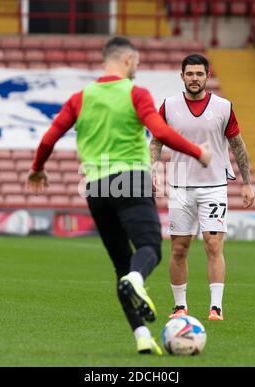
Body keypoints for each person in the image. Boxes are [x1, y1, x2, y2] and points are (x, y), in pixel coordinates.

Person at [26, 37, 211, 355]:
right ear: (126, 59)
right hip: (130, 180)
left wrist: (37, 170)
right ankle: (137, 279)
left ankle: (141, 334)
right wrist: (198, 152)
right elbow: (161, 131)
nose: (137, 68)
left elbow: (48, 138)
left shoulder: (80, 98)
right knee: (150, 248)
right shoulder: (135, 93)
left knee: (121, 267)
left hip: (96, 188)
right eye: (136, 62)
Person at [150, 54, 255, 321]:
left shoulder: (223, 107)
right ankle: (179, 306)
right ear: (182, 76)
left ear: (207, 76)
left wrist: (246, 182)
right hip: (180, 187)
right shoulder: (169, 106)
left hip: (214, 186)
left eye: (199, 74)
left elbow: (238, 145)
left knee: (213, 244)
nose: (194, 78)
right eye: (190, 74)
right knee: (179, 248)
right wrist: (153, 169)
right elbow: (156, 143)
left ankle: (216, 307)